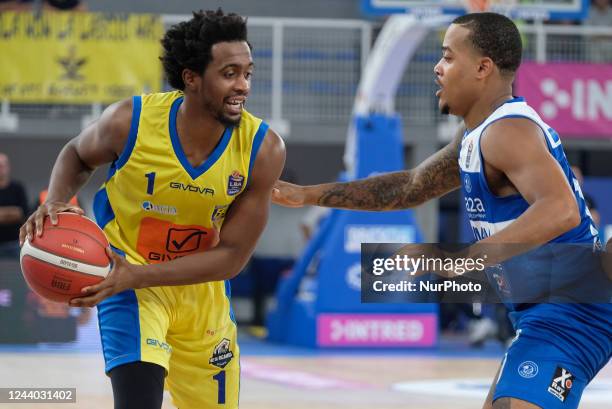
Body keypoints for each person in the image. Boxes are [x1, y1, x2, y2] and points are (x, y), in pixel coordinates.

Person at [273, 13, 611, 409]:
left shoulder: (508, 131)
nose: (437, 67)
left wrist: (460, 261)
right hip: (542, 309)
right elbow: (410, 187)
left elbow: (561, 209)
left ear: (483, 68)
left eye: (448, 57)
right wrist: (308, 195)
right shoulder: (477, 134)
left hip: (573, 312)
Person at [20, 9, 285, 409]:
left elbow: (232, 256)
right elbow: (77, 154)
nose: (243, 86)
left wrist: (140, 275)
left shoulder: (263, 149)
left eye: (248, 73)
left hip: (201, 297)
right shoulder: (131, 121)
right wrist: (58, 200)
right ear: (191, 78)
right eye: (229, 73)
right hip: (128, 285)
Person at [0, 153, 29, 258]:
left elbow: (22, 213)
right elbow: (16, 212)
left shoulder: (18, 188)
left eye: (2, 165)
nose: (1, 168)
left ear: (8, 167)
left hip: (15, 244)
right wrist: (12, 212)